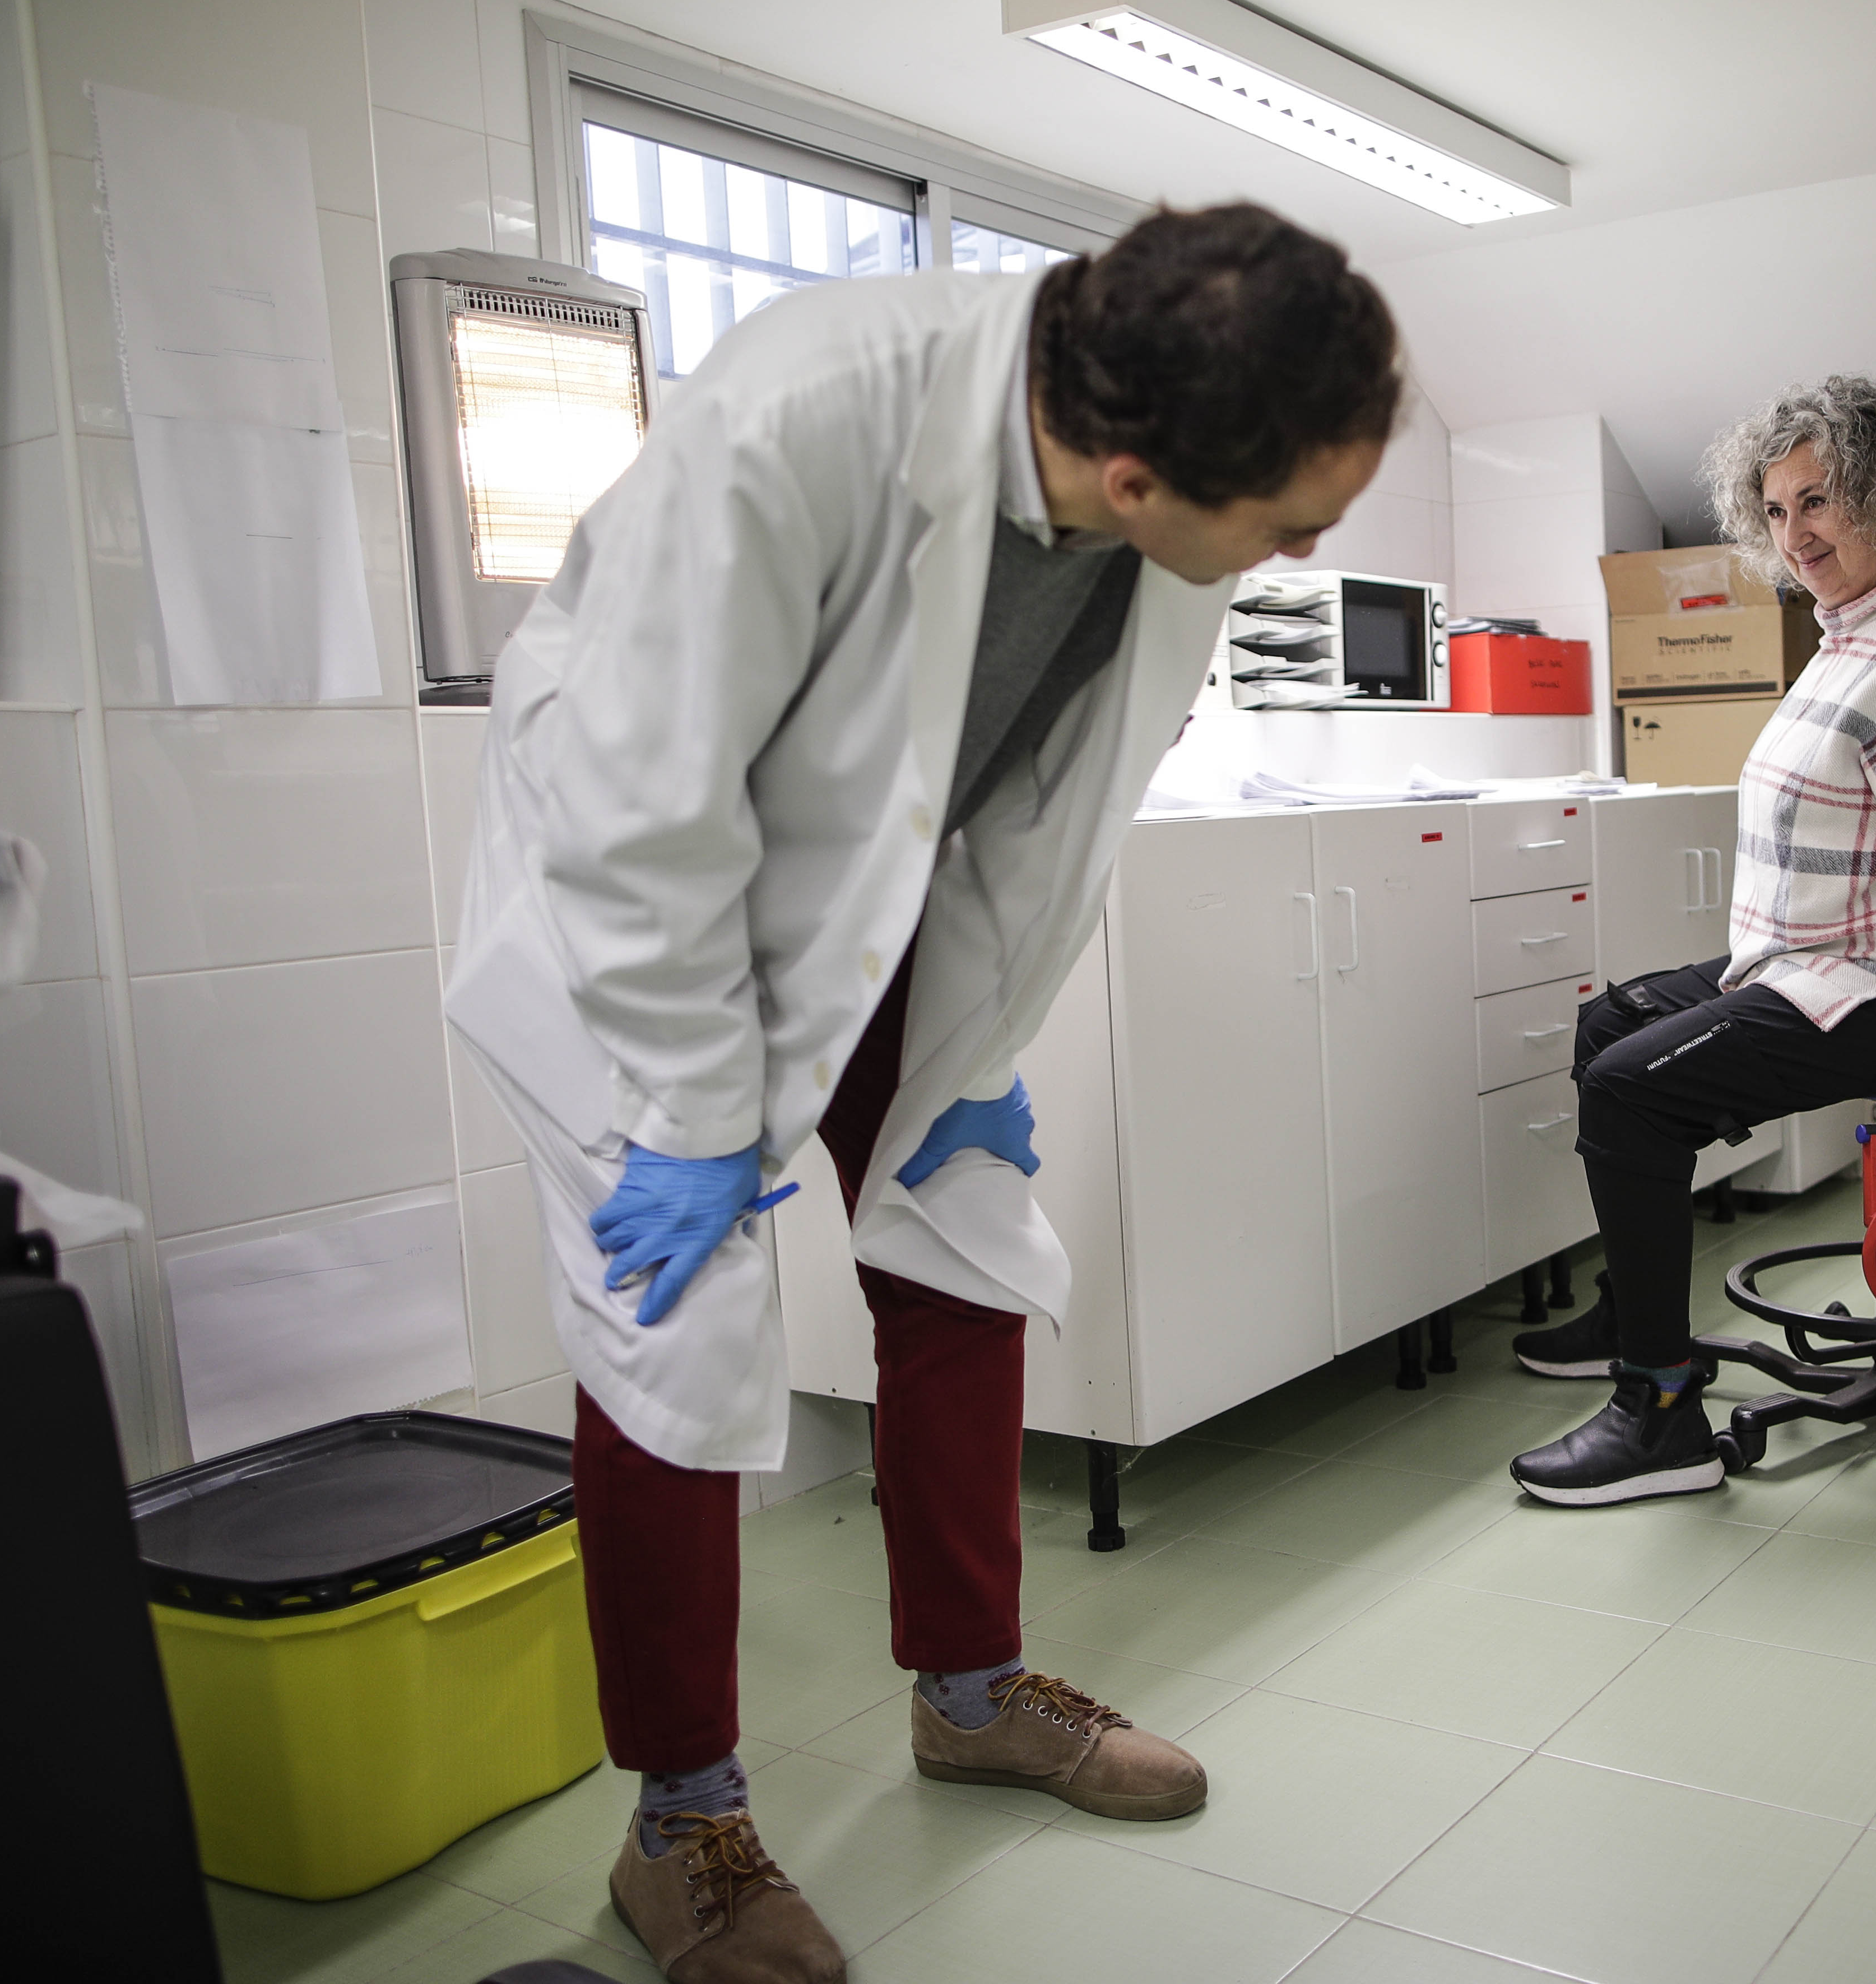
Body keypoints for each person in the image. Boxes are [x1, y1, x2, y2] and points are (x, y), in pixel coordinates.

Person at [445, 205, 1399, 1983]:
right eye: (1291, 524)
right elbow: (638, 802)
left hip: (869, 889)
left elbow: (1041, 812)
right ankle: (685, 1825)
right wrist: (699, 1111)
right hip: (631, 906)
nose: (1304, 552)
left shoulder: (1159, 526)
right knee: (673, 1317)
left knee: (955, 1241)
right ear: (1133, 476)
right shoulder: (803, 418)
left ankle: (969, 1695)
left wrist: (973, 1054)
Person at [1504, 375, 1876, 1504]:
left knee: (1629, 1088)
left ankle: (1659, 1414)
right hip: (1815, 961)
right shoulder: (1860, 631)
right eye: (1778, 510)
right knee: (1613, 1019)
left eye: (1821, 503)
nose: (1796, 536)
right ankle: (1637, 1316)